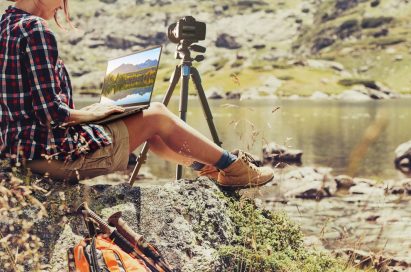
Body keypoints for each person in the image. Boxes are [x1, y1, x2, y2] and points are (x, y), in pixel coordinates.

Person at [0, 0, 274, 188]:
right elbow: (51, 113)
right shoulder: (34, 30)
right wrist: (94, 113)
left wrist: (95, 113)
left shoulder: (5, 25)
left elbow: (32, 109)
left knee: (147, 121)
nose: (62, 5)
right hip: (55, 156)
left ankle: (208, 168)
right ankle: (234, 168)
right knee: (156, 115)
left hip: (19, 152)